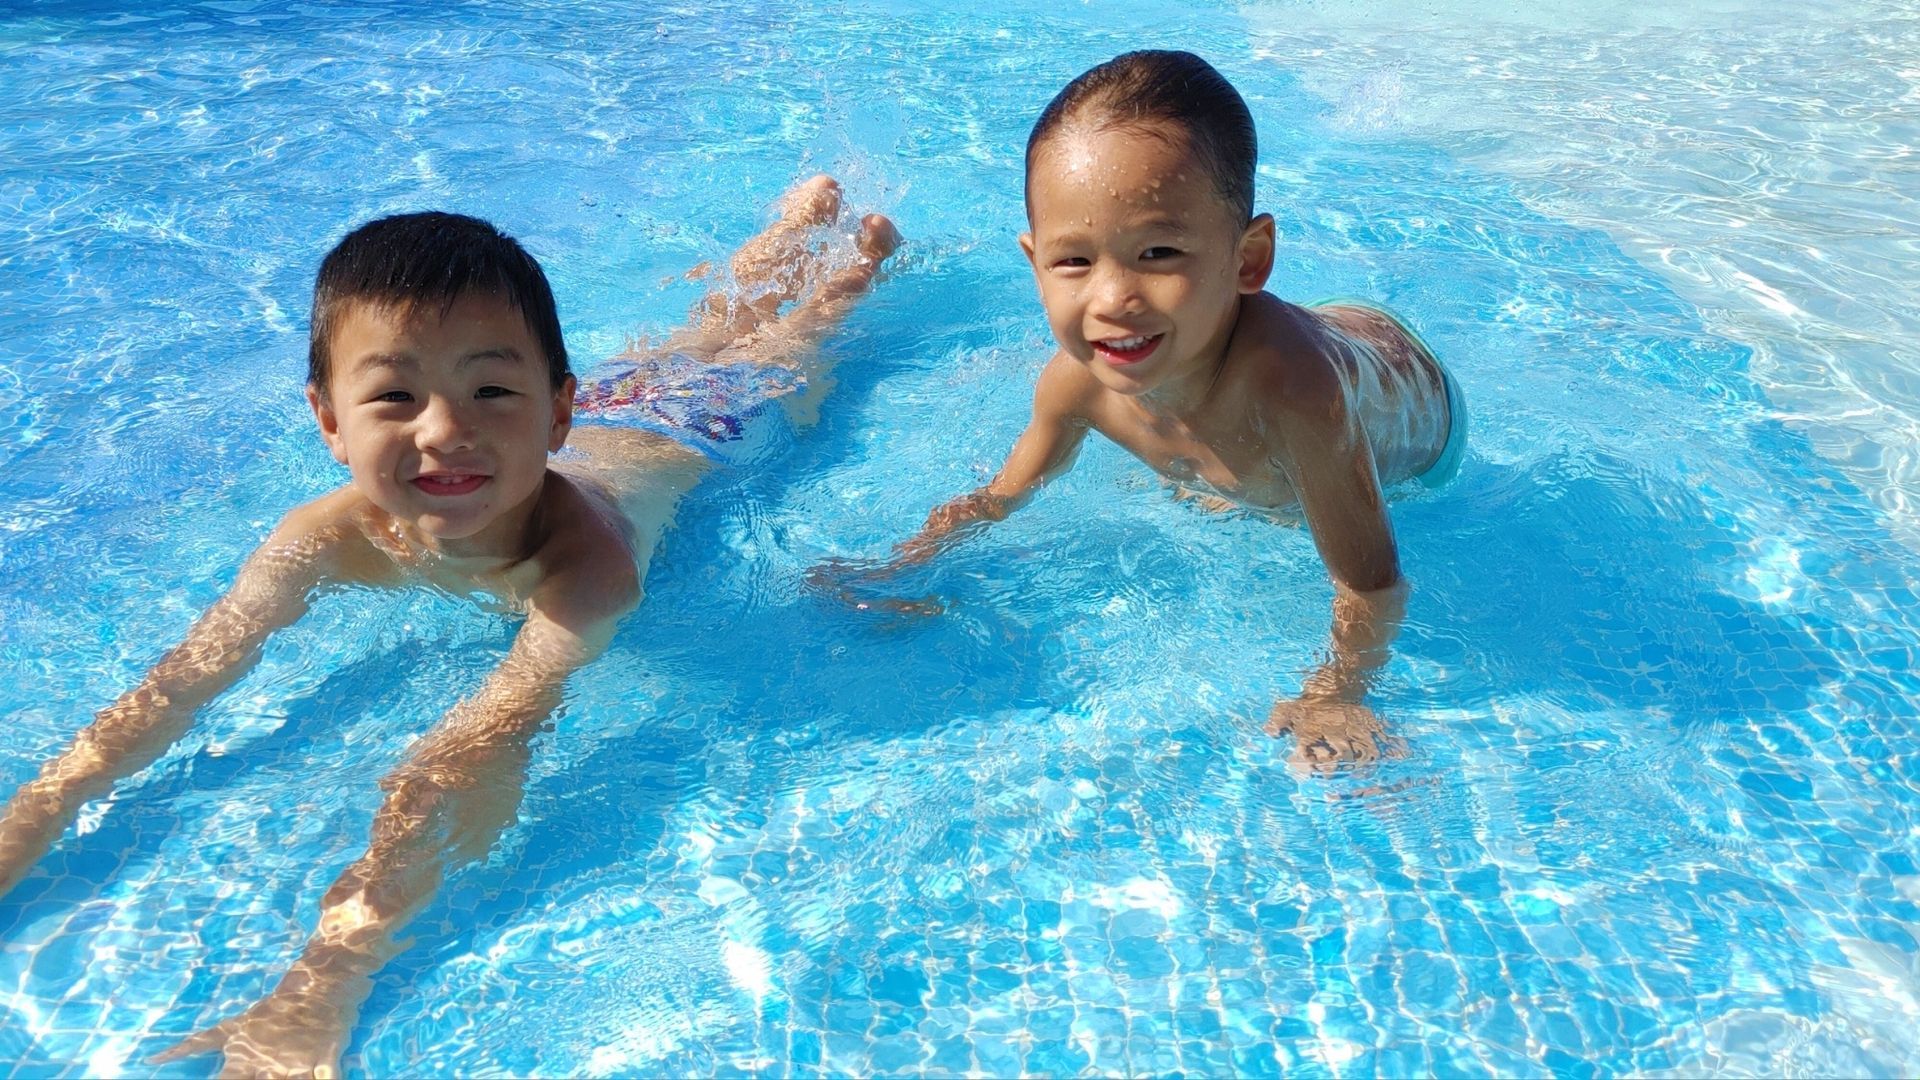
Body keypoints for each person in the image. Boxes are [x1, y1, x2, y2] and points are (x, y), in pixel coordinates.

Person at [0, 176, 898, 1075]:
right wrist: (30, 820)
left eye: (490, 390)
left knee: (788, 343)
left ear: (556, 412)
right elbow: (176, 686)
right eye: (395, 396)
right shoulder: (322, 537)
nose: (444, 431)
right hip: (612, 408)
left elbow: (472, 755)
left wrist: (324, 981)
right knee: (701, 330)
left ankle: (850, 262)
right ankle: (794, 223)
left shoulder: (588, 575)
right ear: (330, 422)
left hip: (713, 426)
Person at [819, 51, 1465, 770]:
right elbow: (1002, 496)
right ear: (1034, 264)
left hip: (1409, 393)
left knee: (1282, 495)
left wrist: (1337, 692)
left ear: (1248, 260)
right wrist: (905, 566)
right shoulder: (1077, 386)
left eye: (1157, 252)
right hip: (1264, 334)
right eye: (1074, 261)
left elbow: (1371, 583)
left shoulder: (1298, 398)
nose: (1112, 299)